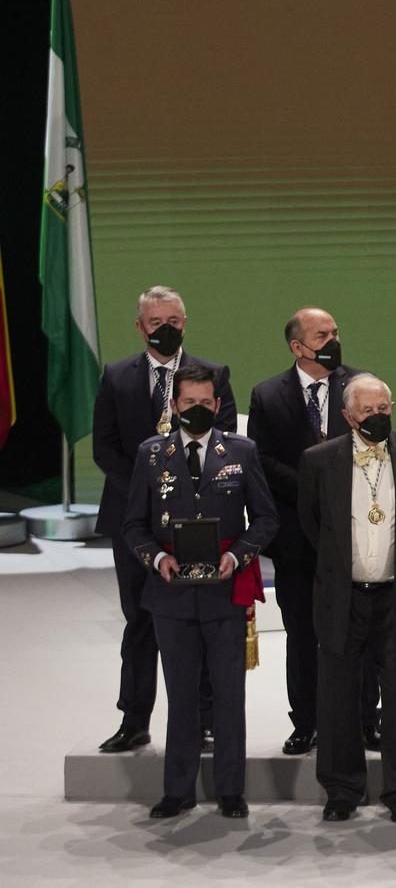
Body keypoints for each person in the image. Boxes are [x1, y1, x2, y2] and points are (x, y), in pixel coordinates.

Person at [121, 365, 277, 820]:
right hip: (170, 595)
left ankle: (231, 790)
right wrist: (156, 558)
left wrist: (240, 556)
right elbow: (133, 524)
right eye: (188, 403)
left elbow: (266, 519)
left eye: (205, 403)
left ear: (217, 404)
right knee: (182, 694)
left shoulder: (242, 451)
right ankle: (178, 790)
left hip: (224, 593)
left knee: (229, 695)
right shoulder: (151, 454)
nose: (197, 410)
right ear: (174, 406)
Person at [91, 285, 237, 755]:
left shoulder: (212, 375)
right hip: (134, 522)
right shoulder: (116, 376)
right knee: (139, 620)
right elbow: (104, 447)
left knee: (200, 619)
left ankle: (205, 718)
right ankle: (135, 720)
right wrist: (147, 493)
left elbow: (226, 441)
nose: (165, 330)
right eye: (156, 323)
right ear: (140, 327)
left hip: (198, 521)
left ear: (185, 322)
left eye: (173, 321)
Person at [297, 373, 396, 823]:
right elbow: (311, 524)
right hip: (343, 596)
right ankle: (341, 790)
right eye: (367, 412)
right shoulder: (319, 460)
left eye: (383, 409)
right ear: (347, 416)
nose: (376, 417)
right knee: (337, 696)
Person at [247, 306, 362, 756]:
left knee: (357, 631)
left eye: (335, 331)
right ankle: (306, 721)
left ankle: (363, 717)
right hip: (296, 538)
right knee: (302, 633)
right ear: (298, 347)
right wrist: (316, 485)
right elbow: (263, 459)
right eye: (322, 334)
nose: (333, 339)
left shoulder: (360, 386)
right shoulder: (267, 395)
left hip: (354, 536)